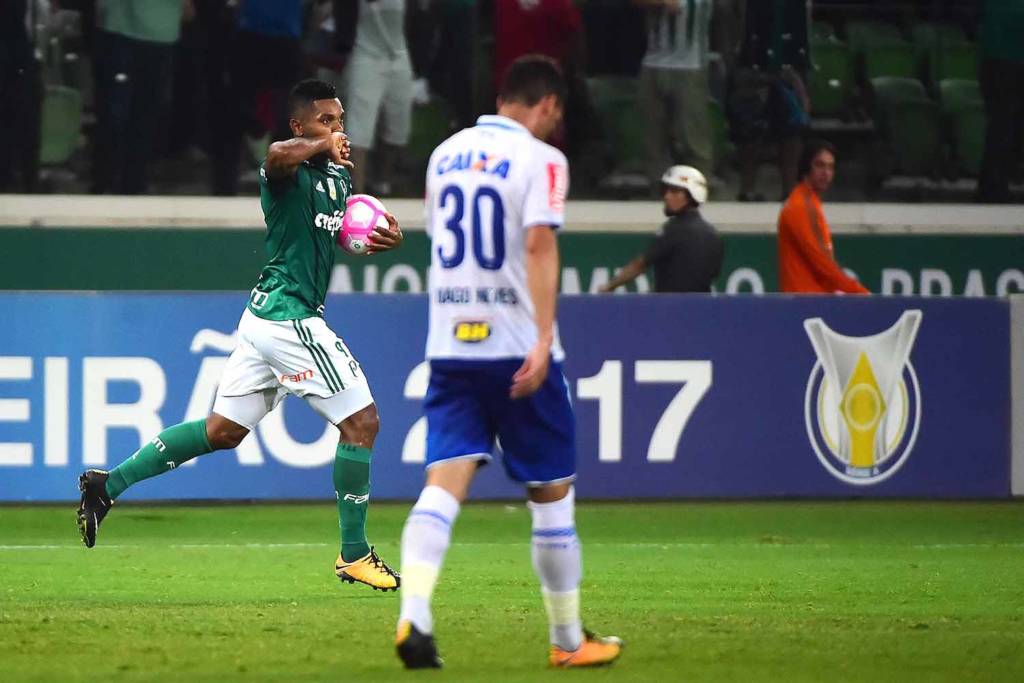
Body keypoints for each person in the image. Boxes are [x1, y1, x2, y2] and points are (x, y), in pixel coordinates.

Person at [77, 79, 405, 592]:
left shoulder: (339, 180)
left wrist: (380, 237)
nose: (336, 130)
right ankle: (354, 553)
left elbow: (335, 233)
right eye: (325, 121)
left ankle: (106, 484)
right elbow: (276, 156)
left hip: (263, 321)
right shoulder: (284, 171)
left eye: (340, 122)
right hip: (289, 318)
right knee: (362, 422)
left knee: (222, 431)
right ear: (299, 126)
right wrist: (321, 144)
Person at [394, 55, 622, 669]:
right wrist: (543, 340)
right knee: (551, 494)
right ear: (547, 104)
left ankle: (414, 613)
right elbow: (539, 244)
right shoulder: (542, 159)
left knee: (443, 484)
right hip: (517, 347)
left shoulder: (443, 155)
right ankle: (568, 640)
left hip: (451, 345)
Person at [91, 0, 191, 194]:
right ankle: (109, 182)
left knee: (141, 117)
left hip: (156, 36)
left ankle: (129, 184)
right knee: (119, 116)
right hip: (124, 33)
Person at [728, 0, 810, 202]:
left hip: (791, 64)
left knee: (791, 130)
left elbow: (803, 32)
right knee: (750, 130)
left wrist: (800, 74)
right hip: (752, 64)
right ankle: (747, 190)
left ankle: (790, 191)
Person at [600, 165, 723, 293]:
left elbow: (640, 265)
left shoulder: (674, 229)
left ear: (693, 195)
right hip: (703, 304)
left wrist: (609, 286)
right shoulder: (713, 234)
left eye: (674, 191)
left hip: (669, 304)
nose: (667, 196)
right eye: (665, 191)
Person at [337, 0, 415, 195]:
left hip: (399, 55)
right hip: (366, 56)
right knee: (359, 132)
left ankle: (383, 182)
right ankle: (357, 194)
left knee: (398, 130)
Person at [635, 0, 715, 186]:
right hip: (653, 62)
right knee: (653, 137)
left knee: (692, 137)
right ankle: (659, 190)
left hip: (690, 66)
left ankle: (696, 190)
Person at [777, 139, 868, 294]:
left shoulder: (809, 203)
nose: (826, 173)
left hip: (809, 299)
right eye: (819, 165)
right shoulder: (802, 206)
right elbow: (823, 263)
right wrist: (862, 294)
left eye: (830, 167)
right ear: (806, 167)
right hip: (806, 301)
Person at [975, 0, 1024, 204]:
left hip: (997, 63)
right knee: (1002, 129)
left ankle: (993, 186)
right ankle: (993, 188)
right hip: (1006, 64)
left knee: (1002, 129)